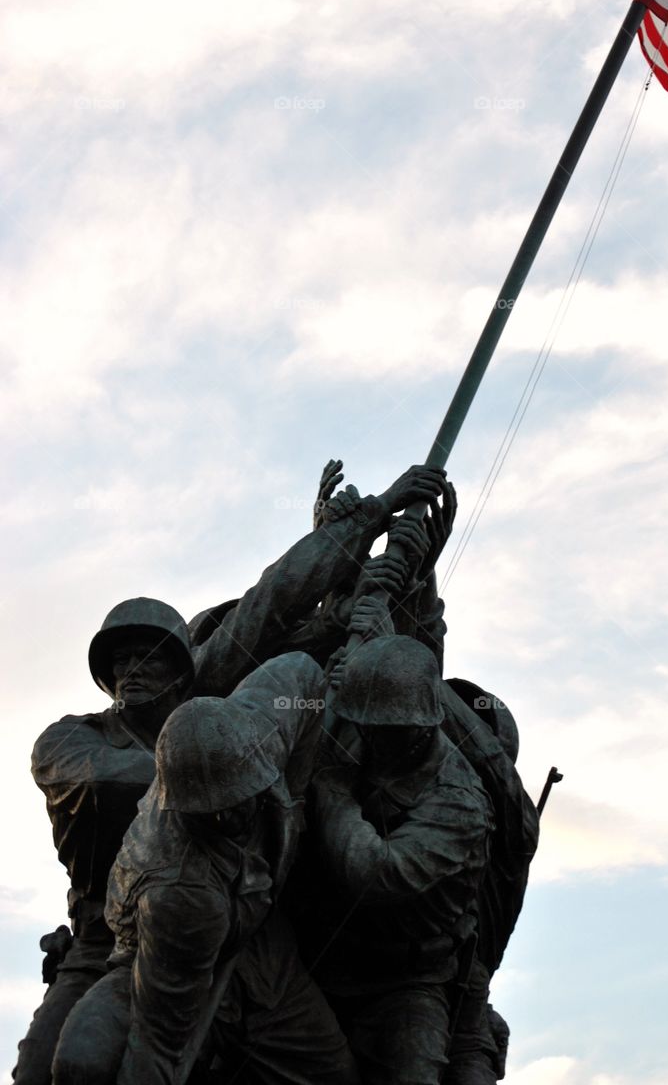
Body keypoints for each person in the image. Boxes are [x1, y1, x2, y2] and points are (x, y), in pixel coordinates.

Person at [14, 461, 448, 1084]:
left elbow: (272, 599)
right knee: (54, 1071)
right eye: (122, 660)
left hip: (253, 932)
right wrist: (225, 759)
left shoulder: (217, 701)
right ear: (105, 677)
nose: (135, 670)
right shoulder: (71, 740)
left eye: (151, 657)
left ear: (183, 667)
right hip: (114, 940)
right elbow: (110, 778)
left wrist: (372, 519)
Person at [53, 653, 359, 1085]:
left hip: (262, 953)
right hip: (160, 960)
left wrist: (296, 788)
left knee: (336, 1077)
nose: (230, 817)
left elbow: (306, 674)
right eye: (212, 814)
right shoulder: (180, 891)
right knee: (82, 1060)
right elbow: (159, 1046)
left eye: (237, 801)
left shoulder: (264, 718)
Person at [302, 631, 494, 1085]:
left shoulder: (460, 802)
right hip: (318, 958)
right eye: (368, 724)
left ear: (426, 722)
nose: (374, 736)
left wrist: (332, 790)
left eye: (391, 728)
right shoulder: (362, 719)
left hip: (405, 980)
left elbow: (379, 875)